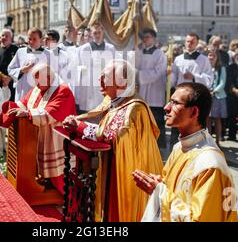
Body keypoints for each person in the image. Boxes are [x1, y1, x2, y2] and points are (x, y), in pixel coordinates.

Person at [63, 60, 164, 222]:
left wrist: (80, 126)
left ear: (122, 83)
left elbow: (111, 134)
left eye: (106, 76)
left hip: (129, 171)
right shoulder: (115, 101)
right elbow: (105, 127)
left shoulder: (134, 108)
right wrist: (78, 124)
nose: (100, 80)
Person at [133, 82, 238, 222]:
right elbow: (171, 188)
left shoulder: (210, 164)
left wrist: (159, 191)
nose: (166, 108)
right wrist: (158, 184)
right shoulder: (179, 148)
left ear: (194, 112)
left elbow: (201, 218)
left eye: (175, 103)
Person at [0, 63, 77, 195]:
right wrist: (12, 107)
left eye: (38, 82)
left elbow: (50, 114)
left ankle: (66, 200)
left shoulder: (63, 90)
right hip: (39, 136)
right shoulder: (39, 87)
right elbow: (24, 103)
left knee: (58, 175)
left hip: (55, 139)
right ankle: (43, 187)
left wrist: (28, 114)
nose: (37, 86)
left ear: (48, 77)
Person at [170, 33, 213, 148]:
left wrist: (194, 77)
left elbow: (209, 79)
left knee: (195, 124)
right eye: (188, 41)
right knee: (178, 123)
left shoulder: (203, 59)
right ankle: (176, 149)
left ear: (197, 43)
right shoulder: (178, 59)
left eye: (192, 42)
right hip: (180, 98)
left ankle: (198, 147)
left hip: (196, 99)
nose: (189, 44)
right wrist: (169, 74)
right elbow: (173, 80)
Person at [136, 28, 168, 150]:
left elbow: (159, 72)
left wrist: (139, 75)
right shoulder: (139, 52)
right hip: (142, 92)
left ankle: (157, 147)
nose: (145, 39)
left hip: (155, 93)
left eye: (148, 37)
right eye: (144, 37)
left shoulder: (159, 54)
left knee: (156, 121)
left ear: (154, 39)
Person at [75, 23, 116, 114]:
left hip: (105, 87)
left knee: (104, 113)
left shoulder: (110, 48)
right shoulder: (83, 49)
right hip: (89, 89)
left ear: (103, 32)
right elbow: (76, 68)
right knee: (90, 115)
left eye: (99, 32)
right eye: (94, 33)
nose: (97, 35)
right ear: (91, 34)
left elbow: (114, 67)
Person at [8, 28, 51, 100]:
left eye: (34, 39)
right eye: (29, 39)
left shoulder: (48, 54)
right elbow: (10, 69)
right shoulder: (20, 52)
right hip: (23, 92)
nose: (31, 41)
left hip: (40, 93)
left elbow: (53, 75)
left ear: (40, 39)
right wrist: (21, 70)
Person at [0, 28, 18, 101]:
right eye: (2, 35)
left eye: (7, 36)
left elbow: (19, 66)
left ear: (11, 38)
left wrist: (10, 78)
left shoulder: (16, 50)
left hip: (12, 82)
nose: (4, 37)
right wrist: (2, 77)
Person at [207, 48, 227, 147]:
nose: (211, 57)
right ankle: (208, 140)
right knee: (208, 119)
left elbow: (222, 82)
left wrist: (214, 91)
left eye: (213, 56)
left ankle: (218, 141)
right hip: (207, 95)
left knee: (217, 119)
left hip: (217, 96)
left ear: (217, 57)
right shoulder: (206, 68)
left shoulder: (221, 68)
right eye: (209, 55)